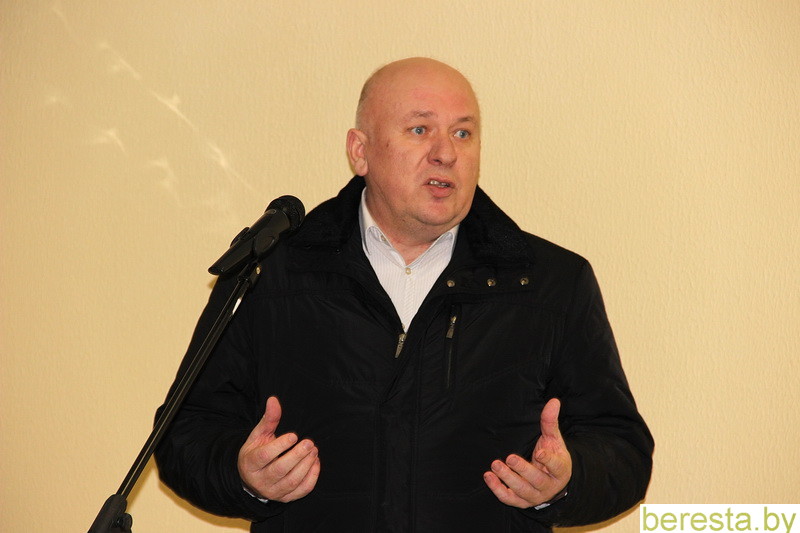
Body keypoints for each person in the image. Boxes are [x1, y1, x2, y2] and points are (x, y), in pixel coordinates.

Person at [155, 57, 654, 532]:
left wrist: (566, 481)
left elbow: (623, 450)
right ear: (360, 151)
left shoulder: (550, 284)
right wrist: (243, 475)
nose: (446, 153)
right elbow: (185, 433)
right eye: (419, 129)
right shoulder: (269, 273)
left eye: (463, 133)